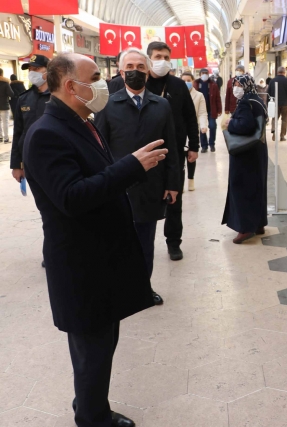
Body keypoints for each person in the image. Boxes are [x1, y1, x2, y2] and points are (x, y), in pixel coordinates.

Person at [23, 52, 167, 427]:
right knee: (93, 349)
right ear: (72, 86)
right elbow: (71, 197)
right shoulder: (46, 134)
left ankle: (87, 404)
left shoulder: (81, 121)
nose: (104, 84)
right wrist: (131, 167)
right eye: (95, 77)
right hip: (80, 263)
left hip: (98, 257)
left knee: (100, 343)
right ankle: (92, 417)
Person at [95, 48, 180, 307]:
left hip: (150, 186)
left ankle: (143, 289)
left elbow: (172, 147)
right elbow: (98, 147)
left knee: (145, 242)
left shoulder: (161, 105)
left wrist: (172, 184)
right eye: (129, 67)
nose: (135, 71)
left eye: (140, 67)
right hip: (116, 186)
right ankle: (119, 289)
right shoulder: (108, 104)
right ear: (121, 72)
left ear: (148, 71)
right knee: (116, 242)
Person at [145, 41, 199, 261]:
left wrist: (194, 146)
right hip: (146, 153)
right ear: (149, 59)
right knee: (143, 198)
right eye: (158, 57)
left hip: (174, 153)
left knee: (174, 199)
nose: (163, 61)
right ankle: (141, 239)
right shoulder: (141, 83)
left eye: (167, 57)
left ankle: (173, 242)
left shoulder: (178, 86)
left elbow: (190, 117)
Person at [221, 74, 269, 244]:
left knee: (242, 188)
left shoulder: (245, 103)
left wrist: (230, 124)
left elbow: (246, 125)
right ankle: (259, 224)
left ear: (245, 85)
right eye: (234, 84)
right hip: (258, 150)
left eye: (237, 84)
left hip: (245, 153)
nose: (235, 88)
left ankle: (245, 228)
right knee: (257, 186)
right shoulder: (257, 99)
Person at [10, 55, 51, 183]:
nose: (32, 72)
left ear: (48, 70)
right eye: (30, 69)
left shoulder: (58, 96)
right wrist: (16, 165)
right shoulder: (24, 99)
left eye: (37, 69)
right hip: (30, 158)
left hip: (53, 156)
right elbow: (18, 132)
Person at [182, 71, 208, 191]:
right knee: (179, 157)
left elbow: (202, 113)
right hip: (179, 130)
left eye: (188, 80)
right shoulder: (176, 95)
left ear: (193, 81)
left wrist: (203, 125)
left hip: (192, 129)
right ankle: (180, 182)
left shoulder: (199, 95)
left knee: (191, 155)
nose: (186, 83)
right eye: (184, 80)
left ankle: (191, 180)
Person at [194, 67, 222, 153]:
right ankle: (204, 146)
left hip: (211, 110)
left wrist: (219, 109)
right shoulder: (196, 84)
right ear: (200, 75)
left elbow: (218, 98)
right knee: (202, 128)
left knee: (213, 126)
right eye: (203, 73)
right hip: (200, 110)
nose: (204, 75)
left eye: (206, 73)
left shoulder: (213, 84)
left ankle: (212, 144)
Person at [267, 66, 287, 141]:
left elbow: (269, 92)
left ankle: (274, 133)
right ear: (285, 72)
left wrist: (268, 103)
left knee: (275, 118)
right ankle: (282, 136)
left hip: (275, 103)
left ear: (277, 72)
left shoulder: (272, 81)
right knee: (284, 120)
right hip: (285, 103)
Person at [0, 68, 14, 143]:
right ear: (2, 74)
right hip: (4, 105)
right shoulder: (5, 83)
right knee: (5, 122)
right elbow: (11, 94)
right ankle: (6, 138)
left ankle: (0, 137)